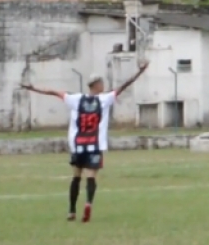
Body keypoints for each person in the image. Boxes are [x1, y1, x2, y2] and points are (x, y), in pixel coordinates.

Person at [20, 60, 149, 223]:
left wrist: (33, 88)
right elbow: (125, 85)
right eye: (101, 82)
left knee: (76, 177)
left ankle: (72, 210)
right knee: (91, 177)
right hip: (95, 145)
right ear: (96, 85)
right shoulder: (104, 99)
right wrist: (140, 71)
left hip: (78, 145)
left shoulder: (75, 99)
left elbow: (53, 92)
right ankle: (88, 203)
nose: (103, 85)